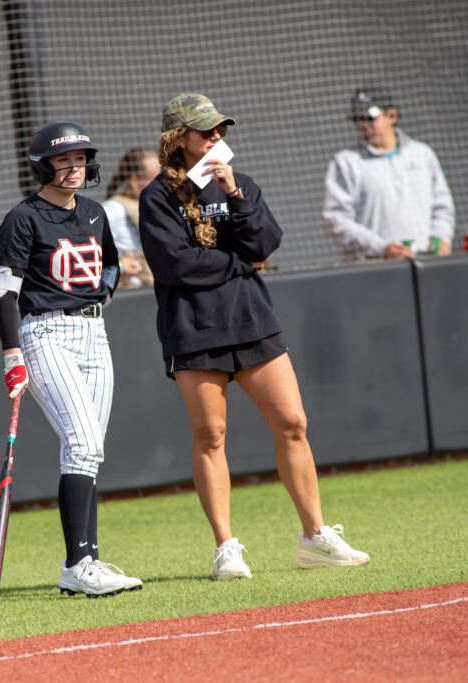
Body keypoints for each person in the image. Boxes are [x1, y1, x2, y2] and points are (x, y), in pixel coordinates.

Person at [139, 93, 370, 580]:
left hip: (253, 320)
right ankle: (227, 548)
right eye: (206, 131)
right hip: (194, 328)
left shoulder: (239, 183)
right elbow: (175, 265)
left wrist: (235, 197)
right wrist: (241, 263)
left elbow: (266, 242)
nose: (217, 137)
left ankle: (315, 537)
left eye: (220, 129)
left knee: (293, 423)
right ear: (178, 139)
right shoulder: (157, 195)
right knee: (211, 435)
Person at [0, 121, 142, 598]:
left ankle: (87, 560)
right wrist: (12, 354)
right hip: (45, 332)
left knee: (88, 451)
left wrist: (102, 296)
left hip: (94, 330)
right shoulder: (22, 218)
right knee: (82, 441)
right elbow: (2, 293)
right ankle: (77, 563)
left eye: (80, 159)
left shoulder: (95, 212)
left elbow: (111, 263)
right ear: (42, 165)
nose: (74, 168)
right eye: (63, 159)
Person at [323, 87, 455, 260]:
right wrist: (381, 248)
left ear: (392, 116)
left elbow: (442, 207)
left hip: (426, 262)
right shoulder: (346, 161)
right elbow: (335, 219)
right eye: (358, 119)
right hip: (373, 268)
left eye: (370, 118)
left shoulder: (422, 154)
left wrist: (441, 238)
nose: (363, 125)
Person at [101, 148, 162, 289]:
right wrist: (120, 264)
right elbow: (90, 251)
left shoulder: (156, 208)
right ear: (134, 182)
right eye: (156, 180)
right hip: (126, 293)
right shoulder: (113, 209)